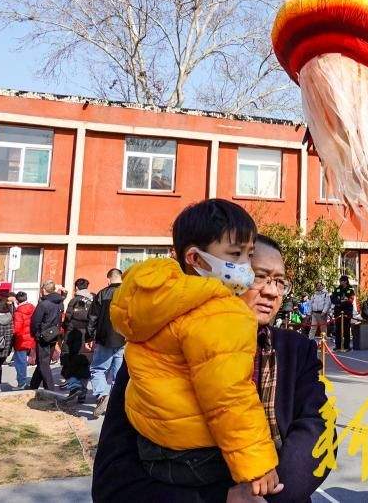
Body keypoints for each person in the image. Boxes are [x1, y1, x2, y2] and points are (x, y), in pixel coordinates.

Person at [93, 233, 331, 502]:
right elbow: (112, 477)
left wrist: (263, 497)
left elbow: (318, 431)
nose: (272, 291)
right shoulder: (158, 351)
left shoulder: (296, 350)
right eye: (260, 276)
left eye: (279, 281)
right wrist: (224, 498)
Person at [110, 199, 280, 498]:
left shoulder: (156, 301)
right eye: (235, 255)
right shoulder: (220, 311)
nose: (245, 267)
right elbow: (229, 397)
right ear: (196, 259)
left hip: (150, 445)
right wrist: (258, 464)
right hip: (196, 456)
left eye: (248, 255)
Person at [87, 267, 126, 418]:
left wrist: (89, 337)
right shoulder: (128, 293)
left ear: (108, 279)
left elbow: (92, 317)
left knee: (98, 369)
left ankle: (103, 394)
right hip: (123, 338)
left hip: (104, 338)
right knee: (119, 373)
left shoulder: (102, 293)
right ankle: (117, 403)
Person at [61, 278, 94, 403]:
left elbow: (68, 318)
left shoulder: (74, 300)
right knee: (84, 365)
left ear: (76, 288)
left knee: (69, 363)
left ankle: (74, 388)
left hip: (73, 336)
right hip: (87, 337)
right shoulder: (92, 300)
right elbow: (94, 319)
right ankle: (82, 395)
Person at [27, 281, 64, 391]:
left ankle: (50, 390)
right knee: (43, 362)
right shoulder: (59, 302)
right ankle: (33, 387)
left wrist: (35, 334)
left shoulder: (44, 304)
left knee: (43, 364)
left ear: (43, 290)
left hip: (43, 336)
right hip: (54, 334)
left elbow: (35, 321)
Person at [11, 291, 35, 389]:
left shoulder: (18, 311)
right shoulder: (33, 308)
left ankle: (22, 383)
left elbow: (17, 328)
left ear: (17, 300)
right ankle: (23, 382)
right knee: (23, 361)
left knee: (20, 362)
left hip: (21, 339)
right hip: (30, 337)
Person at [330, 275, 355, 351]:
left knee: (346, 329)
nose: (340, 282)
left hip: (347, 311)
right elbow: (333, 299)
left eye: (341, 281)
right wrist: (341, 301)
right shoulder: (337, 289)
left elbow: (350, 300)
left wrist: (344, 301)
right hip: (338, 311)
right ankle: (338, 346)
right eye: (340, 281)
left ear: (345, 281)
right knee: (338, 329)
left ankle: (347, 346)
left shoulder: (350, 289)